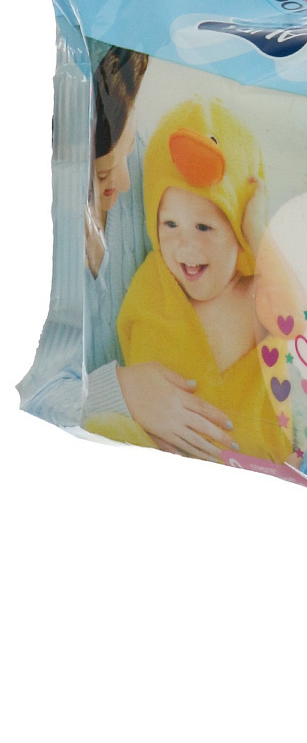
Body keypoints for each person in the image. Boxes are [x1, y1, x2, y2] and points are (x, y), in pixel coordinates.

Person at [20, 45, 237, 461]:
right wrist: (121, 391)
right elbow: (31, 393)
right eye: (102, 174)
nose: (124, 181)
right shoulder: (36, 237)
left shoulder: (146, 166)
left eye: (130, 146)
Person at [97, 98, 292, 465]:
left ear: (238, 229)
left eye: (205, 227)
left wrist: (258, 232)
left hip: (254, 470)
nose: (186, 246)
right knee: (104, 430)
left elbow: (297, 322)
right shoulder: (153, 285)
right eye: (170, 224)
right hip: (162, 459)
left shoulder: (256, 292)